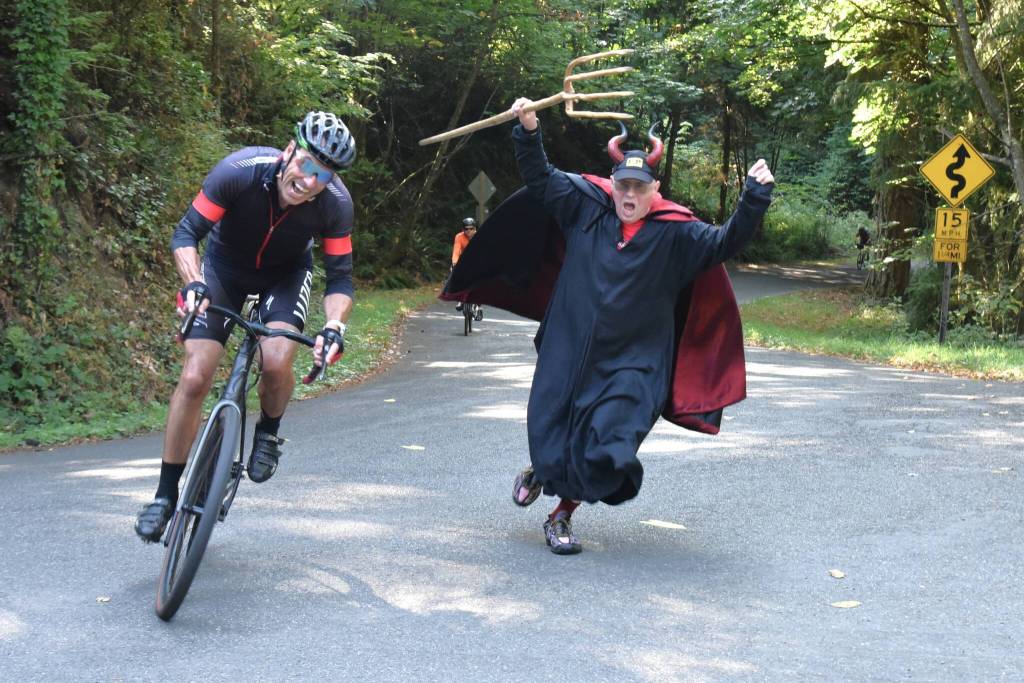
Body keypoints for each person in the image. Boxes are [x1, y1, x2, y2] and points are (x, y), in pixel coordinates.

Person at [500, 96, 775, 554]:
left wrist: (754, 197)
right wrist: (528, 130)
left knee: (606, 447)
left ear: (655, 189)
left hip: (634, 366)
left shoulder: (677, 232)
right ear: (612, 184)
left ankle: (561, 515)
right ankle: (542, 470)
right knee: (550, 428)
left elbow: (726, 241)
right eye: (623, 185)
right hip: (569, 348)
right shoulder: (585, 208)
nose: (630, 196)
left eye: (639, 188)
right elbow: (540, 178)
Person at [134, 111, 356, 542]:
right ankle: (164, 496)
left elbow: (341, 279)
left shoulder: (336, 205)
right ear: (289, 151)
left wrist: (334, 325)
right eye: (306, 165)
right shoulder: (239, 170)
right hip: (223, 268)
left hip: (285, 276)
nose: (309, 181)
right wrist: (193, 282)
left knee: (276, 360)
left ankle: (268, 433)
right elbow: (187, 233)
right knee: (195, 375)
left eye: (323, 175)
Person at [451, 217, 482, 320]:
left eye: (471, 228)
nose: (469, 231)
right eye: (466, 229)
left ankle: (478, 307)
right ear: (463, 230)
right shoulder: (459, 237)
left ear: (475, 229)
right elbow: (456, 251)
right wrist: (454, 263)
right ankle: (460, 299)